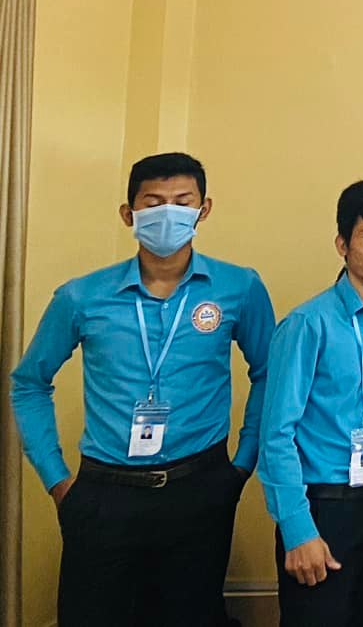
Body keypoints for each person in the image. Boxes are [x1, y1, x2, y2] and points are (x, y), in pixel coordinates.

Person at [11, 152, 276, 627]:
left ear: (204, 209)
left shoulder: (239, 287)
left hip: (201, 487)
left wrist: (241, 464)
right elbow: (29, 384)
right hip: (104, 493)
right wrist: (58, 481)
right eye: (153, 204)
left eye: (182, 202)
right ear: (128, 214)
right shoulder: (81, 296)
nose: (168, 214)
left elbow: (269, 373)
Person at [261, 180, 363, 627]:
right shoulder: (308, 324)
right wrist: (297, 529)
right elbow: (276, 435)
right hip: (324, 509)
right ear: (342, 244)